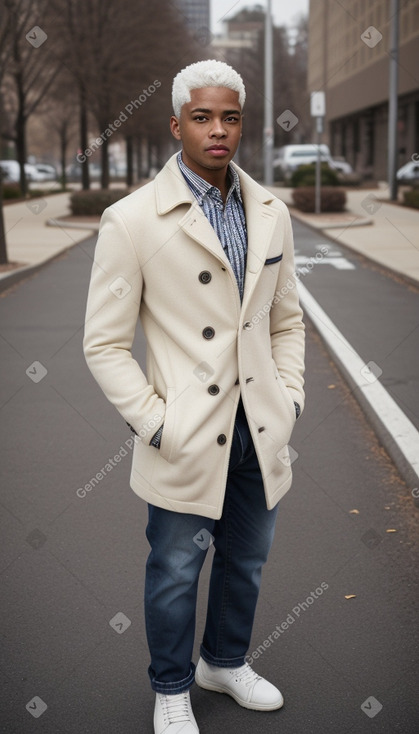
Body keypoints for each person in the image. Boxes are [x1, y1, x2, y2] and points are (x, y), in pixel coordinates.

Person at [83, 59, 305, 734]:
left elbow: (285, 319)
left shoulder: (270, 211)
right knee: (176, 569)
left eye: (230, 117)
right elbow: (104, 344)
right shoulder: (131, 221)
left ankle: (225, 662)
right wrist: (157, 425)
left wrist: (289, 398)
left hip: (257, 429)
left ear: (242, 124)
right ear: (175, 123)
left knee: (246, 558)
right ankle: (172, 686)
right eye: (202, 117)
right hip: (186, 431)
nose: (217, 130)